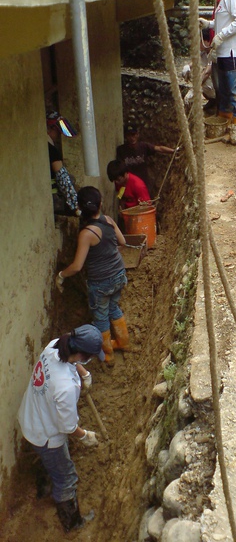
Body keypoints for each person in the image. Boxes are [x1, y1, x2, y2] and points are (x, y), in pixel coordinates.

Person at [17, 324, 104, 533]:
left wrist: (83, 373)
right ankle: (72, 524)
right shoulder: (66, 387)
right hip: (47, 435)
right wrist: (85, 436)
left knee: (48, 460)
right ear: (83, 354)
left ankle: (44, 487)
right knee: (66, 477)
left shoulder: (54, 346)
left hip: (31, 417)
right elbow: (67, 426)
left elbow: (72, 361)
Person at [55, 186, 129, 365]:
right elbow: (123, 242)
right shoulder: (109, 220)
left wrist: (61, 275)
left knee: (101, 318)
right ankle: (122, 342)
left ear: (81, 208)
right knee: (113, 307)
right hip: (119, 275)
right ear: (100, 204)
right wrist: (110, 255)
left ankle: (108, 355)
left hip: (101, 284)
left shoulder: (87, 234)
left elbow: (77, 266)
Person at [116, 125, 175, 199]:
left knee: (145, 204)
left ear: (137, 135)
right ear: (125, 136)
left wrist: (173, 151)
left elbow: (159, 148)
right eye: (129, 135)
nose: (132, 138)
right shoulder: (121, 150)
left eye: (133, 134)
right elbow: (119, 169)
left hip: (143, 183)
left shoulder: (143, 146)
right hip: (129, 185)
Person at [47, 111, 79, 216]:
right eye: (56, 131)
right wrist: (75, 205)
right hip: (53, 198)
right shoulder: (51, 150)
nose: (58, 134)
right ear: (50, 129)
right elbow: (63, 179)